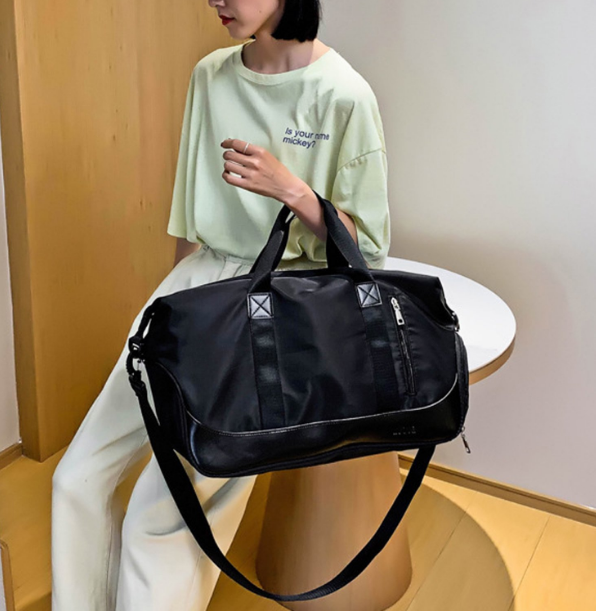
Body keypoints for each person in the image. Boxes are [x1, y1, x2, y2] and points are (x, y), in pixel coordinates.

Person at [50, 0, 391, 609]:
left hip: (275, 310)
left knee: (162, 519)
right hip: (195, 289)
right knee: (76, 477)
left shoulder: (344, 95)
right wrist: (174, 314)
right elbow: (191, 215)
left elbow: (366, 247)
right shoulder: (210, 75)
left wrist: (292, 190)